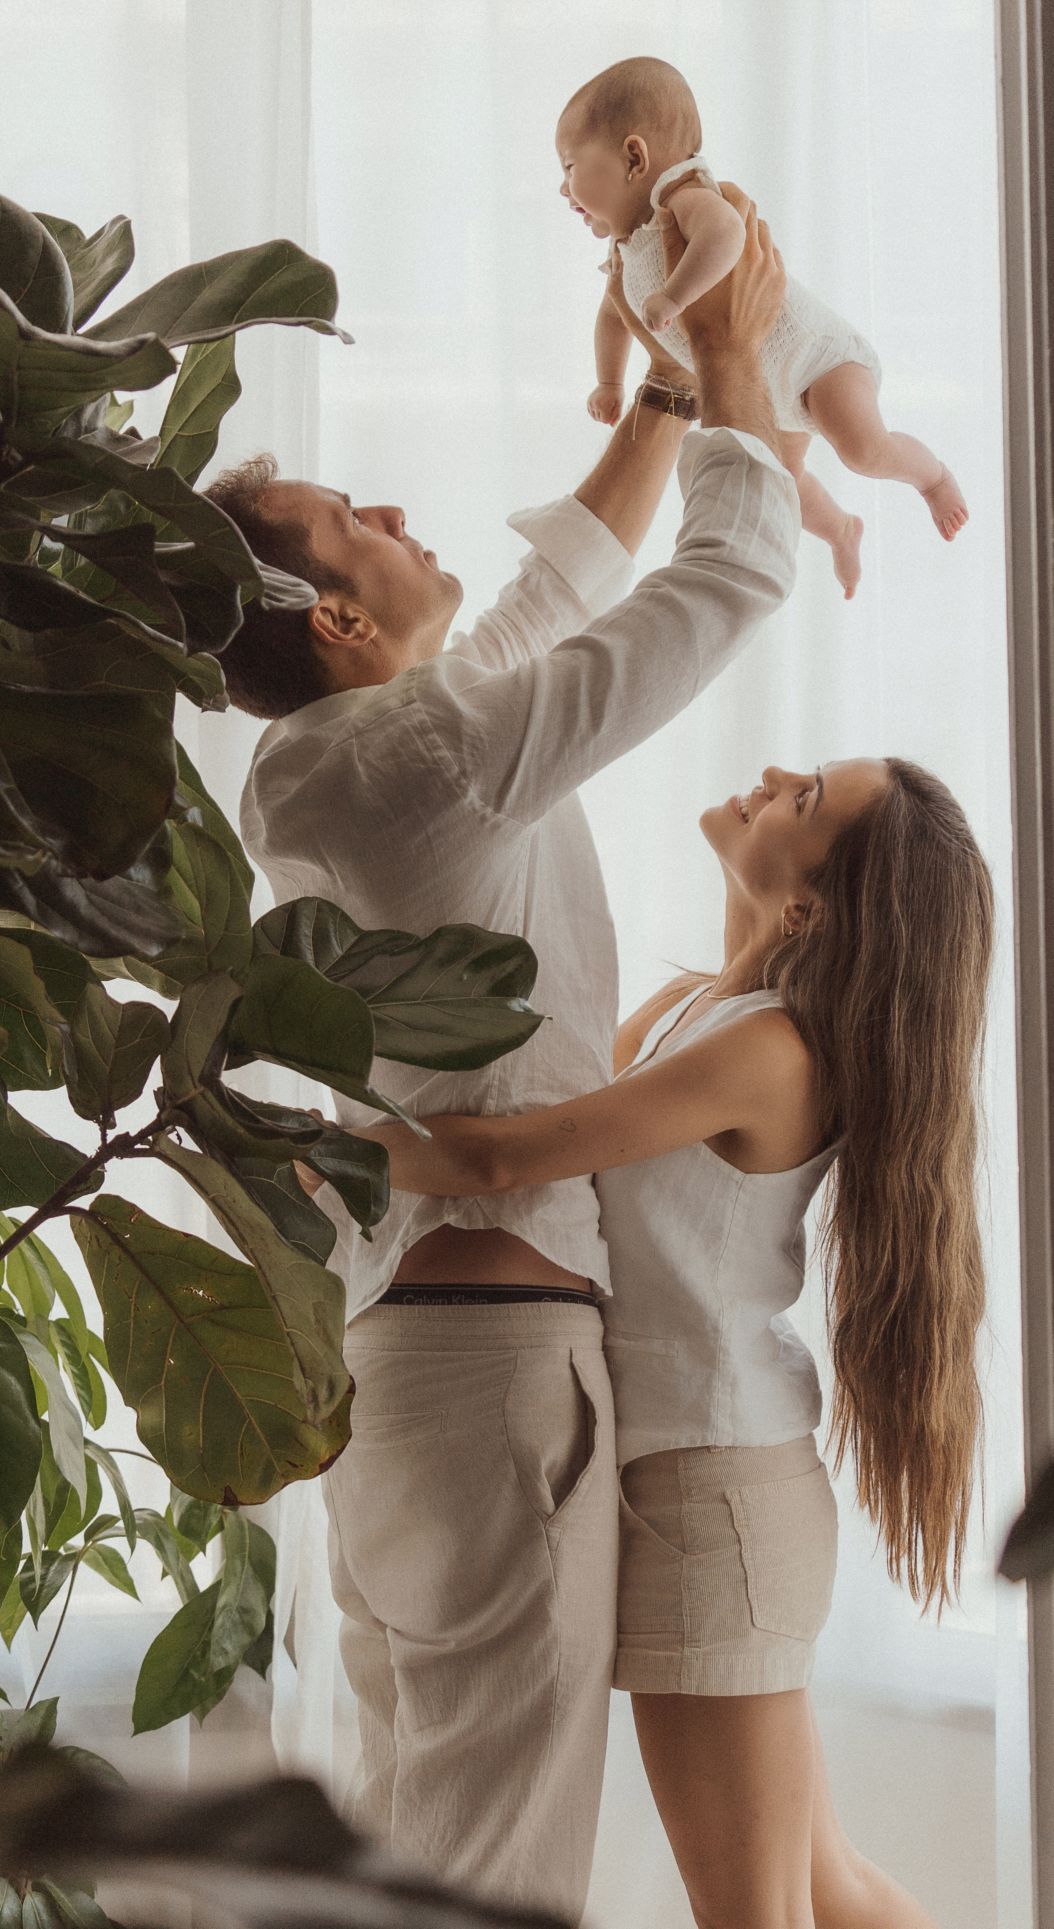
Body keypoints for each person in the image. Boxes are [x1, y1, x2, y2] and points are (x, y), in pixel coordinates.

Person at [206, 198, 798, 1920]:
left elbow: (541, 606)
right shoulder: (427, 753)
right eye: (352, 522)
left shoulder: (324, 770)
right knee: (486, 1883)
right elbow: (732, 578)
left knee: (416, 1853)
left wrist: (673, 395)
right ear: (332, 620)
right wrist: (745, 350)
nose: (395, 514)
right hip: (493, 1374)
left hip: (405, 1375)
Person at [326, 755, 993, 1929]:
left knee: (758, 1906)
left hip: (711, 1494)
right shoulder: (714, 1008)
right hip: (707, 1480)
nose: (777, 774)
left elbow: (512, 1154)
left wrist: (295, 1149)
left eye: (805, 800)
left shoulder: (770, 1049)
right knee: (819, 1884)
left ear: (813, 907)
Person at [561, 55, 968, 598]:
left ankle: (934, 478)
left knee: (861, 449)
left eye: (569, 168)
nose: (563, 191)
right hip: (769, 388)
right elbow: (614, 315)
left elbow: (727, 236)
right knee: (784, 481)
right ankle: (842, 533)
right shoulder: (626, 248)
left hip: (819, 359)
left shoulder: (682, 197)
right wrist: (609, 382)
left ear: (634, 158)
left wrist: (675, 295)